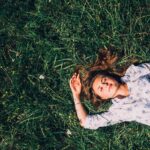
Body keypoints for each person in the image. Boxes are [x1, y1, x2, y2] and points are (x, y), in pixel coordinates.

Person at [69, 48, 150, 130]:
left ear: (110, 76)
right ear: (103, 97)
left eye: (104, 80)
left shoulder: (132, 73)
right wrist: (76, 95)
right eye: (101, 88)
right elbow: (86, 122)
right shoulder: (118, 111)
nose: (105, 85)